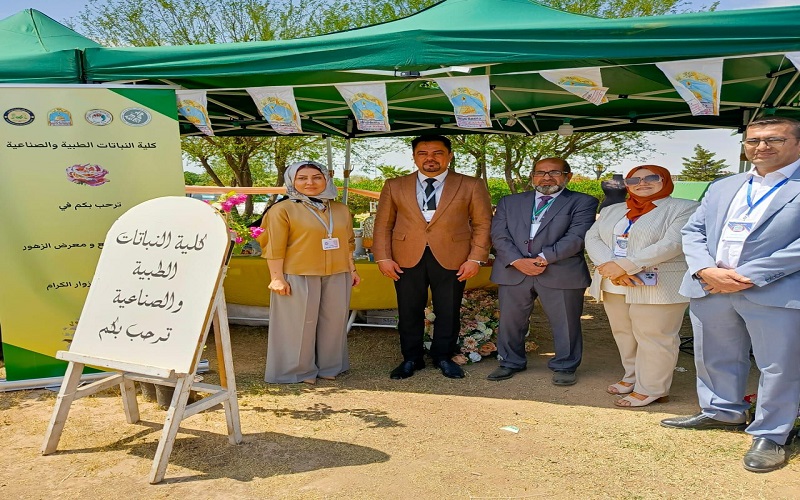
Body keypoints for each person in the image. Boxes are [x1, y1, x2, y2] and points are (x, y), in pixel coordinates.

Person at [661, 116, 800, 473]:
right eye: (753, 140)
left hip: (775, 289)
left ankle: (771, 433)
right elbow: (693, 231)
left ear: (797, 143)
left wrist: (747, 275)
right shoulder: (724, 185)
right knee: (714, 354)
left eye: (774, 139)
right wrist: (704, 269)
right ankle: (722, 411)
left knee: (779, 365)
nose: (761, 147)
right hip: (710, 286)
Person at [373, 135, 493, 380]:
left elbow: (483, 223)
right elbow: (383, 224)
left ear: (449, 156)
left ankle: (443, 357)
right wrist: (383, 257)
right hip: (405, 257)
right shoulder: (394, 185)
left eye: (438, 153)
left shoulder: (471, 184)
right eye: (423, 153)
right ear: (414, 157)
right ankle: (411, 358)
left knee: (449, 309)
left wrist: (475, 258)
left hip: (454, 257)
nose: (430, 158)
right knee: (409, 310)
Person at [585, 165, 699, 407]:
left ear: (665, 180)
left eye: (651, 178)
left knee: (655, 336)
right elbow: (592, 237)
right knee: (624, 333)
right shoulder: (613, 210)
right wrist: (609, 267)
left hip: (658, 283)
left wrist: (625, 265)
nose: (642, 183)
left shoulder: (685, 207)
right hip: (615, 282)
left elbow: (673, 243)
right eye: (634, 180)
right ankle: (632, 376)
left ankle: (653, 388)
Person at [488, 158, 598, 386]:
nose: (546, 178)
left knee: (566, 322)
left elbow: (578, 236)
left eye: (554, 172)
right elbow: (499, 235)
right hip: (514, 270)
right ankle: (510, 362)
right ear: (532, 176)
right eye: (540, 173)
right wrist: (517, 261)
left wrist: (543, 259)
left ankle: (565, 365)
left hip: (560, 270)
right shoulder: (509, 202)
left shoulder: (583, 201)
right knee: (510, 321)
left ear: (568, 176)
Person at [259, 161, 360, 384]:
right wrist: (276, 278)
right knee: (299, 324)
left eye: (316, 177)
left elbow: (348, 242)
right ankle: (298, 370)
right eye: (302, 178)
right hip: (298, 274)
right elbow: (274, 246)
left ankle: (329, 366)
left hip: (338, 272)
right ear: (292, 181)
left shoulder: (340, 209)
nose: (310, 183)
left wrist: (352, 269)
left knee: (334, 322)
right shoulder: (282, 209)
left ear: (326, 179)